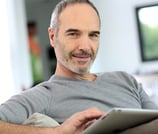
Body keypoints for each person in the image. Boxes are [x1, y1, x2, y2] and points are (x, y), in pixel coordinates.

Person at [0, 0, 158, 133]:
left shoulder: (126, 80)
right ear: (53, 37)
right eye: (73, 34)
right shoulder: (44, 96)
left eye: (93, 35)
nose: (85, 46)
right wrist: (56, 132)